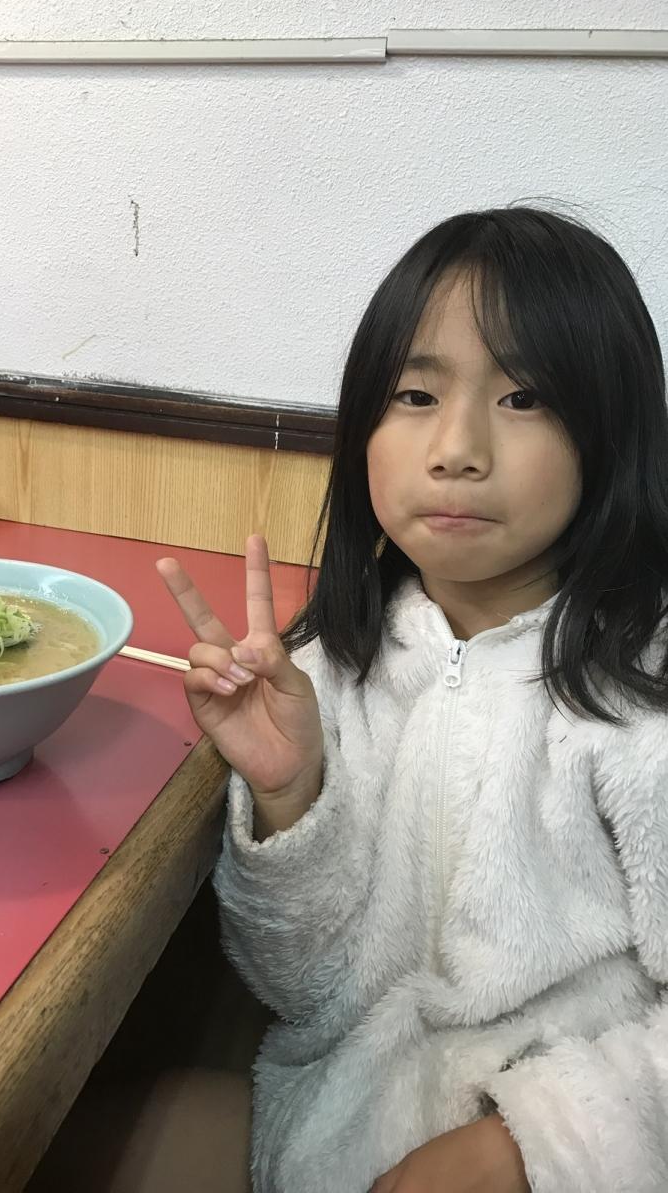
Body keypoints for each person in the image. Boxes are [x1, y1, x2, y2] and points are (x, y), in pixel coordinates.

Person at [156, 206, 668, 1192]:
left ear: (609, 430)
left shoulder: (642, 691)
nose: (455, 449)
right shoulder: (327, 667)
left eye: (523, 397)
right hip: (339, 1120)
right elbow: (303, 994)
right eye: (414, 394)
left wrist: (534, 1143)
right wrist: (289, 796)